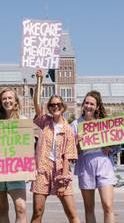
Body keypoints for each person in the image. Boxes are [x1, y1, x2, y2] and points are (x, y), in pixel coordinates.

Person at [31, 69, 80, 223]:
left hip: (61, 171)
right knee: (37, 213)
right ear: (49, 108)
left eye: (58, 104)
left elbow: (68, 156)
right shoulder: (44, 121)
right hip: (42, 171)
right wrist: (39, 80)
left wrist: (62, 180)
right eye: (52, 105)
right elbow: (36, 103)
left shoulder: (69, 129)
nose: (55, 107)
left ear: (63, 107)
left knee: (71, 214)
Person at [71, 90, 120, 223]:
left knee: (108, 206)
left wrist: (110, 148)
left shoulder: (105, 123)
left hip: (104, 164)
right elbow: (70, 153)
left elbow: (118, 146)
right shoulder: (75, 125)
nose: (88, 106)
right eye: (86, 103)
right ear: (83, 105)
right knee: (89, 208)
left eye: (92, 104)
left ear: (97, 106)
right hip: (85, 166)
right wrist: (77, 143)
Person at [0, 88, 27, 223]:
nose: (7, 101)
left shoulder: (23, 121)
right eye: (4, 98)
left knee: (21, 208)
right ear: (0, 101)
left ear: (15, 101)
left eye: (10, 98)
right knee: (2, 209)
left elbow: (31, 145)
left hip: (17, 170)